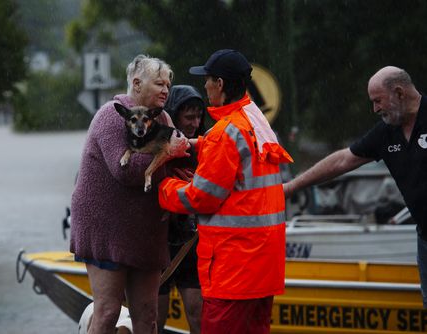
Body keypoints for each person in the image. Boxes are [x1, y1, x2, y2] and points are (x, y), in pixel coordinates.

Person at [158, 49, 293, 333]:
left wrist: (163, 188)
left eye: (207, 79)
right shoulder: (255, 119)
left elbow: (201, 197)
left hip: (234, 270)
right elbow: (238, 159)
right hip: (264, 266)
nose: (204, 86)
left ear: (219, 84)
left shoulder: (225, 133)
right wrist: (194, 144)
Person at [284, 65, 427, 307]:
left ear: (400, 93)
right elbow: (342, 160)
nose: (375, 109)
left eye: (378, 101)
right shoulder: (386, 132)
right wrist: (290, 187)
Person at [69, 54, 190, 334]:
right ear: (137, 84)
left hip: (144, 232)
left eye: (168, 86)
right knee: (108, 311)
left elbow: (176, 156)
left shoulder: (163, 118)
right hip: (106, 228)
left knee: (148, 317)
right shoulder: (112, 115)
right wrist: (169, 153)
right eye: (159, 84)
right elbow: (127, 172)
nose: (165, 90)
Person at [157, 85, 206, 334]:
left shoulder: (204, 148)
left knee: (198, 314)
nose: (195, 123)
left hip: (190, 241)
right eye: (189, 117)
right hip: (159, 241)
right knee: (155, 318)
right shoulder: (156, 147)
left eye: (199, 117)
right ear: (174, 116)